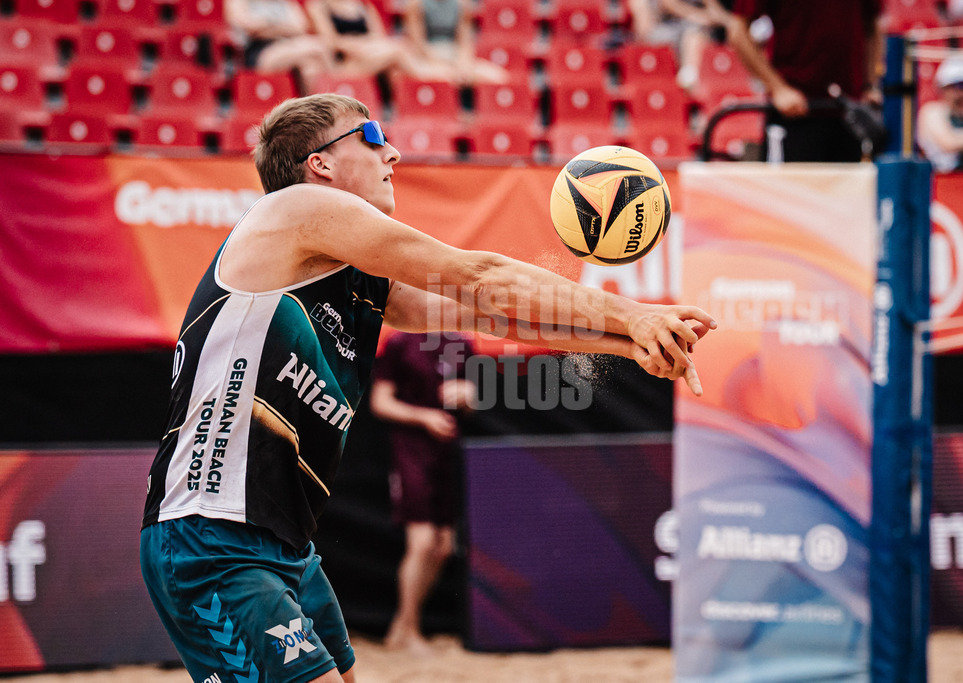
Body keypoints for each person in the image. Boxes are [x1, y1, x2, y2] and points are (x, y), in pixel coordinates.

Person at [139, 92, 715, 683]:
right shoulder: (297, 209)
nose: (391, 151)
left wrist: (629, 343)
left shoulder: (349, 273)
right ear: (320, 163)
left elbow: (495, 316)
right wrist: (634, 314)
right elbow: (481, 278)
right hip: (210, 532)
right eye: (369, 137)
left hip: (283, 544)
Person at [370, 331, 476, 654]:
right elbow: (380, 402)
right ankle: (409, 629)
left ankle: (401, 628)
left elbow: (470, 404)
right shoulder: (400, 343)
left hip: (446, 450)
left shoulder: (463, 343)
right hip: (410, 450)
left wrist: (468, 395)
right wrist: (423, 416)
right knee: (423, 541)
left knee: (443, 546)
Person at [725, 0, 884, 162]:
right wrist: (777, 88)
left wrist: (870, 84)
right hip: (795, 115)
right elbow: (738, 30)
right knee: (788, 187)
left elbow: (873, 25)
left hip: (851, 116)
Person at [305, 0, 456, 82]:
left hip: (370, 57)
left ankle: (406, 106)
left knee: (396, 62)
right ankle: (438, 76)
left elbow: (378, 36)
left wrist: (365, 46)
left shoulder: (362, 6)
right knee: (397, 52)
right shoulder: (318, 6)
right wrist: (360, 47)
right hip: (344, 63)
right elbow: (331, 41)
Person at [226, 0, 334, 95]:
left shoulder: (285, 2)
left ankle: (314, 111)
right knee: (317, 47)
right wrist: (284, 28)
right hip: (258, 54)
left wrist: (267, 27)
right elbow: (248, 26)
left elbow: (301, 27)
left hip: (288, 48)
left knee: (310, 68)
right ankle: (336, 89)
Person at [626, 0, 733, 91]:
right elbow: (668, 5)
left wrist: (726, 21)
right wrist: (697, 16)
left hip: (693, 29)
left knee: (695, 36)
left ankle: (688, 79)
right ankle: (685, 82)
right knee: (692, 34)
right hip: (666, 28)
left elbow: (717, 13)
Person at [402, 0, 509, 86]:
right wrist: (441, 65)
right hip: (426, 60)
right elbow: (418, 44)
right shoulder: (416, 4)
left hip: (453, 57)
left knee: (499, 76)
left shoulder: (462, 4)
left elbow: (464, 43)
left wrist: (463, 65)